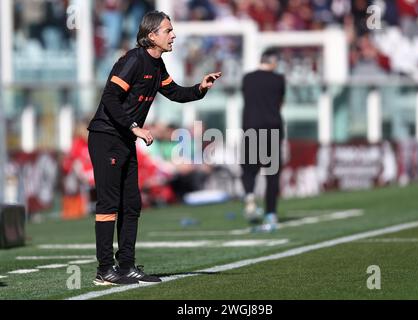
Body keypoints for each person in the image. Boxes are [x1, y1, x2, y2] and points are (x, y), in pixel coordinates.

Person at [87, 10, 221, 285]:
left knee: (132, 204)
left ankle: (126, 266)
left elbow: (176, 93)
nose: (173, 35)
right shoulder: (134, 60)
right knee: (109, 204)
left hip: (124, 138)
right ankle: (104, 269)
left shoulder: (157, 66)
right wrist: (134, 127)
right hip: (106, 136)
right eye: (168, 30)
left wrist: (200, 88)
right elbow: (110, 97)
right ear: (152, 36)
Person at [241, 49, 285, 232]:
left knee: (249, 169)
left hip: (251, 126)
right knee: (272, 174)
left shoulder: (248, 78)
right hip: (272, 127)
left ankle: (250, 197)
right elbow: (280, 102)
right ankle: (271, 213)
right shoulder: (278, 79)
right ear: (273, 61)